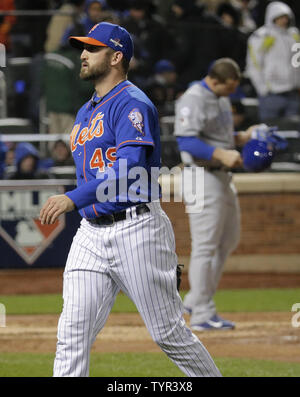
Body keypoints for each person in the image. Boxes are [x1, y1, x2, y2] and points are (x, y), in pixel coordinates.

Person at [39, 22, 221, 377]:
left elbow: (128, 170)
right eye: (83, 48)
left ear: (117, 56)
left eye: (92, 48)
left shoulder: (133, 104)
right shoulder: (85, 111)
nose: (83, 55)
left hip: (136, 228)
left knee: (168, 333)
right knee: (72, 334)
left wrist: (73, 198)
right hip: (90, 232)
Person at [173, 58, 257, 331]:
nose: (232, 92)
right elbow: (186, 140)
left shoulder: (220, 99)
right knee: (206, 246)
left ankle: (195, 299)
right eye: (230, 86)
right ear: (216, 80)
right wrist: (221, 153)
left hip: (221, 177)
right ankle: (201, 313)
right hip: (199, 175)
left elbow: (219, 136)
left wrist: (242, 138)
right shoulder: (193, 98)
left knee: (228, 241)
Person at [246, 1, 300, 122]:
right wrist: (263, 89)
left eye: (286, 17)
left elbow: (297, 61)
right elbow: (254, 65)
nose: (284, 20)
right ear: (272, 17)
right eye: (280, 17)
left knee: (293, 134)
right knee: (269, 131)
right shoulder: (261, 36)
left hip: (293, 93)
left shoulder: (294, 35)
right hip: (271, 93)